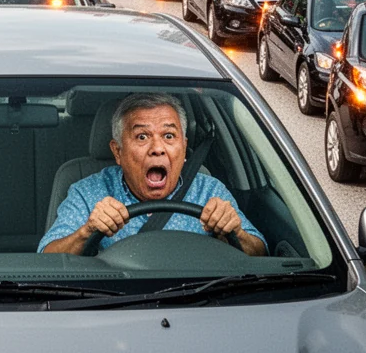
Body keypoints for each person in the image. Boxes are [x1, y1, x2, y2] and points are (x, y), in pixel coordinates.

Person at [39, 93, 266, 256]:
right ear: (118, 151)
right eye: (142, 137)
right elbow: (48, 257)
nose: (157, 148)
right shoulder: (89, 192)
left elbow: (260, 252)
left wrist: (234, 232)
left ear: (184, 148)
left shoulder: (209, 191)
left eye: (168, 136)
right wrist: (86, 231)